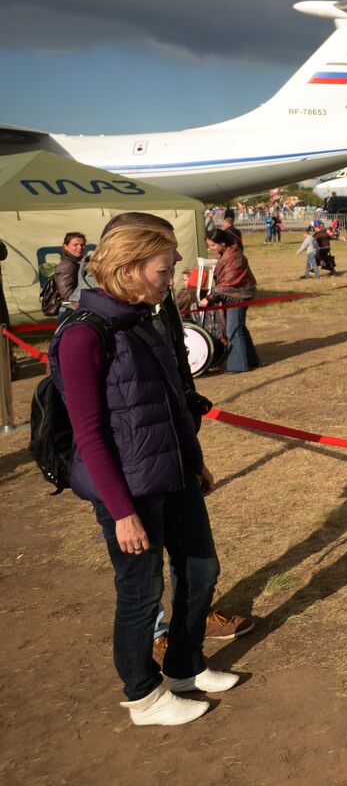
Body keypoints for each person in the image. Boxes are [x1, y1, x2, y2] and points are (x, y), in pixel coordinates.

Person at [49, 222, 240, 726]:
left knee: (201, 570)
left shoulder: (143, 318)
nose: (173, 273)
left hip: (173, 471)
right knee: (141, 592)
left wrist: (194, 461)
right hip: (128, 491)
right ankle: (143, 697)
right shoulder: (83, 334)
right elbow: (88, 433)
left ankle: (184, 667)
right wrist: (121, 512)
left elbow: (173, 401)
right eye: (165, 266)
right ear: (130, 269)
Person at [201, 229, 261, 373]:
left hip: (239, 295)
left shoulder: (234, 257)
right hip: (234, 294)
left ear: (222, 243)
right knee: (239, 327)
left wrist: (208, 298)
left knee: (233, 329)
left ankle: (238, 365)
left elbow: (227, 283)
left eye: (213, 245)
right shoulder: (226, 253)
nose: (211, 249)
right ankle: (251, 359)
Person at [53, 231, 87, 318]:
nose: (80, 247)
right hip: (70, 310)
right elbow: (66, 295)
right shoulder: (67, 264)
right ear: (66, 247)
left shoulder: (75, 262)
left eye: (82, 245)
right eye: (75, 245)